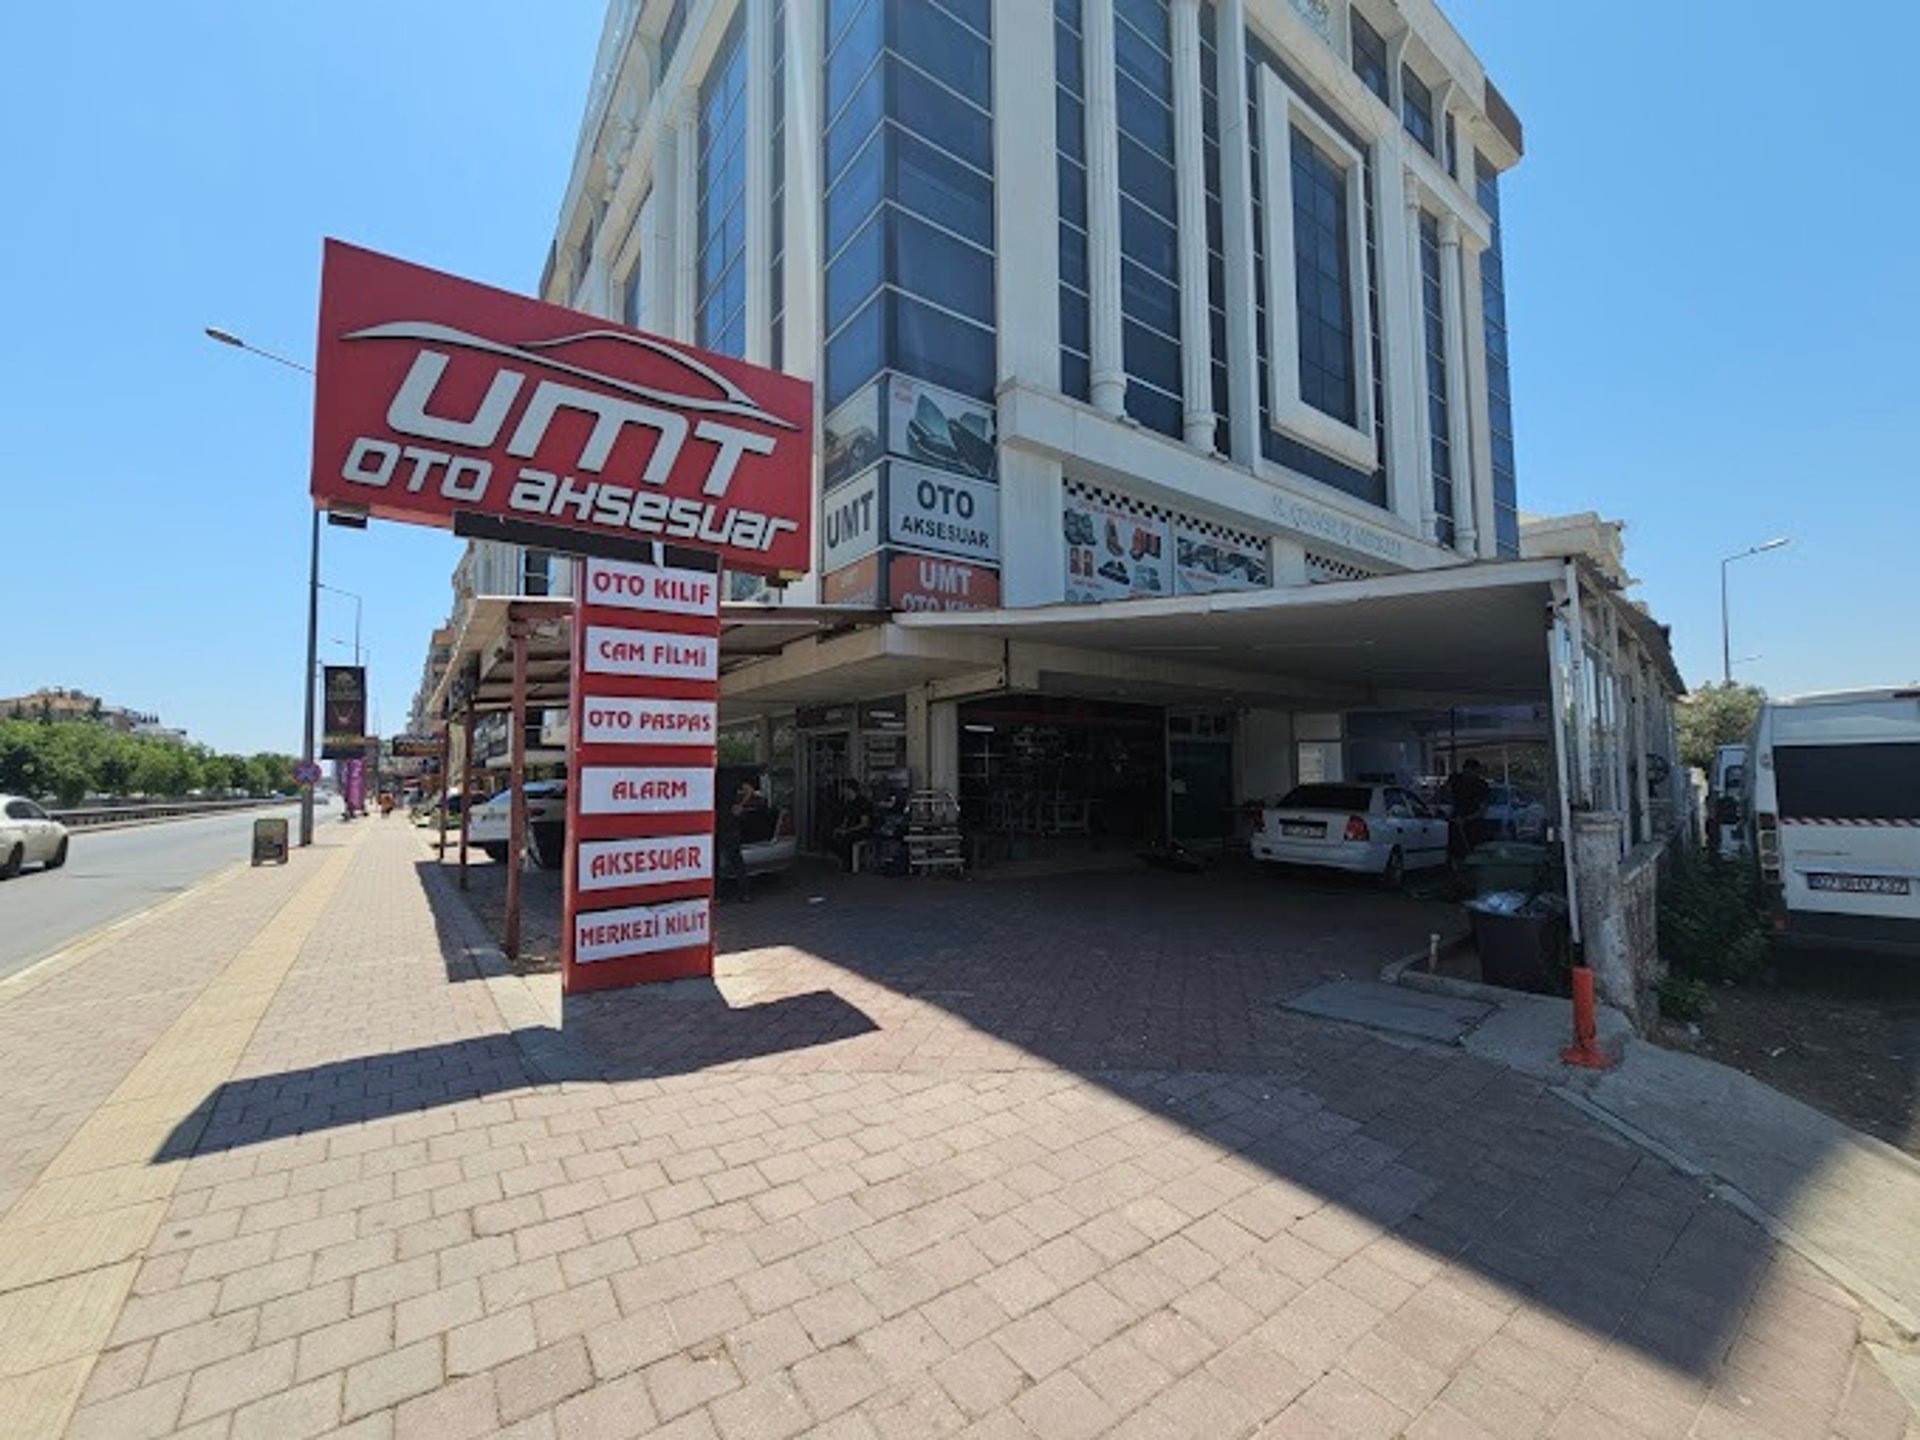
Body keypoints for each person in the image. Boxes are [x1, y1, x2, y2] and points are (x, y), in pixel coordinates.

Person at [716, 780, 763, 901]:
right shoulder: (730, 776)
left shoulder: (714, 776)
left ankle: (717, 896)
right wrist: (741, 805)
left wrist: (740, 805)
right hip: (731, 825)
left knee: (718, 863)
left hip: (719, 825)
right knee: (737, 861)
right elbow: (750, 790)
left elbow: (750, 790)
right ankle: (745, 893)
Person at [1446, 757, 1492, 858]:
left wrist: (1466, 819)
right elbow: (1446, 797)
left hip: (1473, 824)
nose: (1468, 774)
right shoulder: (1455, 780)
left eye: (1471, 771)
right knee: (1455, 851)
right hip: (1455, 822)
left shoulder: (1482, 786)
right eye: (1466, 771)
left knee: (1474, 851)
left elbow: (1482, 810)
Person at [830, 778, 874, 871]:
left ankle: (848, 863)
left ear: (850, 789)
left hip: (863, 830)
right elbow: (846, 820)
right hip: (852, 828)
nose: (843, 791)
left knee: (847, 837)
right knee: (832, 835)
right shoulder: (849, 803)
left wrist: (847, 830)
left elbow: (864, 823)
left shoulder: (863, 802)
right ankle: (843, 858)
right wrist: (840, 828)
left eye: (844, 788)